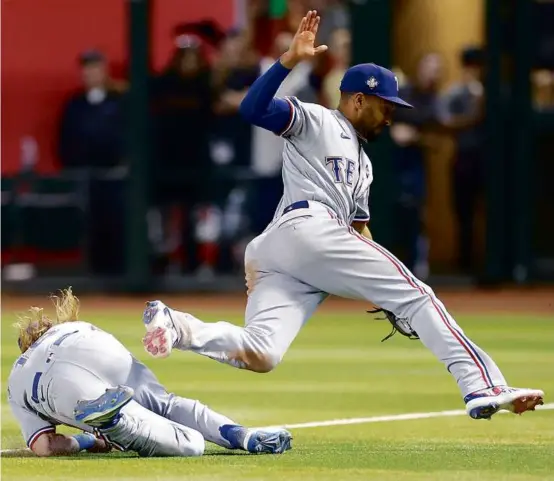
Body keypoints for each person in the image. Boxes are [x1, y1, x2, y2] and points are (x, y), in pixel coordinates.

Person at [141, 11, 544, 421]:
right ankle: (482, 385)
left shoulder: (365, 165)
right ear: (357, 99)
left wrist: (382, 289)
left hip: (287, 251)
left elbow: (359, 231)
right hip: (307, 227)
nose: (390, 116)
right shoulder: (317, 120)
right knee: (418, 294)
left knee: (262, 352)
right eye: (384, 106)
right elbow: (252, 109)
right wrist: (288, 61)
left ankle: (178, 327)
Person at [7, 289, 292, 457]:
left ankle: (113, 423)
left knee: (191, 445)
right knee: (166, 403)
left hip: (61, 389)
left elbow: (45, 445)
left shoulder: (15, 380)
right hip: (92, 343)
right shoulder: (67, 327)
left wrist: (87, 441)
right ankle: (243, 436)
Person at [390, 52, 444, 279]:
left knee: (415, 217)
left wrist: (414, 137)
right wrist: (392, 130)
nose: (432, 73)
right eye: (429, 67)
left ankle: (414, 270)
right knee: (393, 215)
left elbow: (439, 141)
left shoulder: (436, 102)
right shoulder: (402, 93)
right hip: (391, 166)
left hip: (416, 167)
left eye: (437, 70)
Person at [438, 47, 485, 273]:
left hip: (488, 160)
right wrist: (473, 116)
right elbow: (444, 120)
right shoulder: (456, 92)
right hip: (464, 157)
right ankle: (465, 263)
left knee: (487, 212)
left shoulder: (490, 92)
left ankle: (485, 262)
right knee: (463, 212)